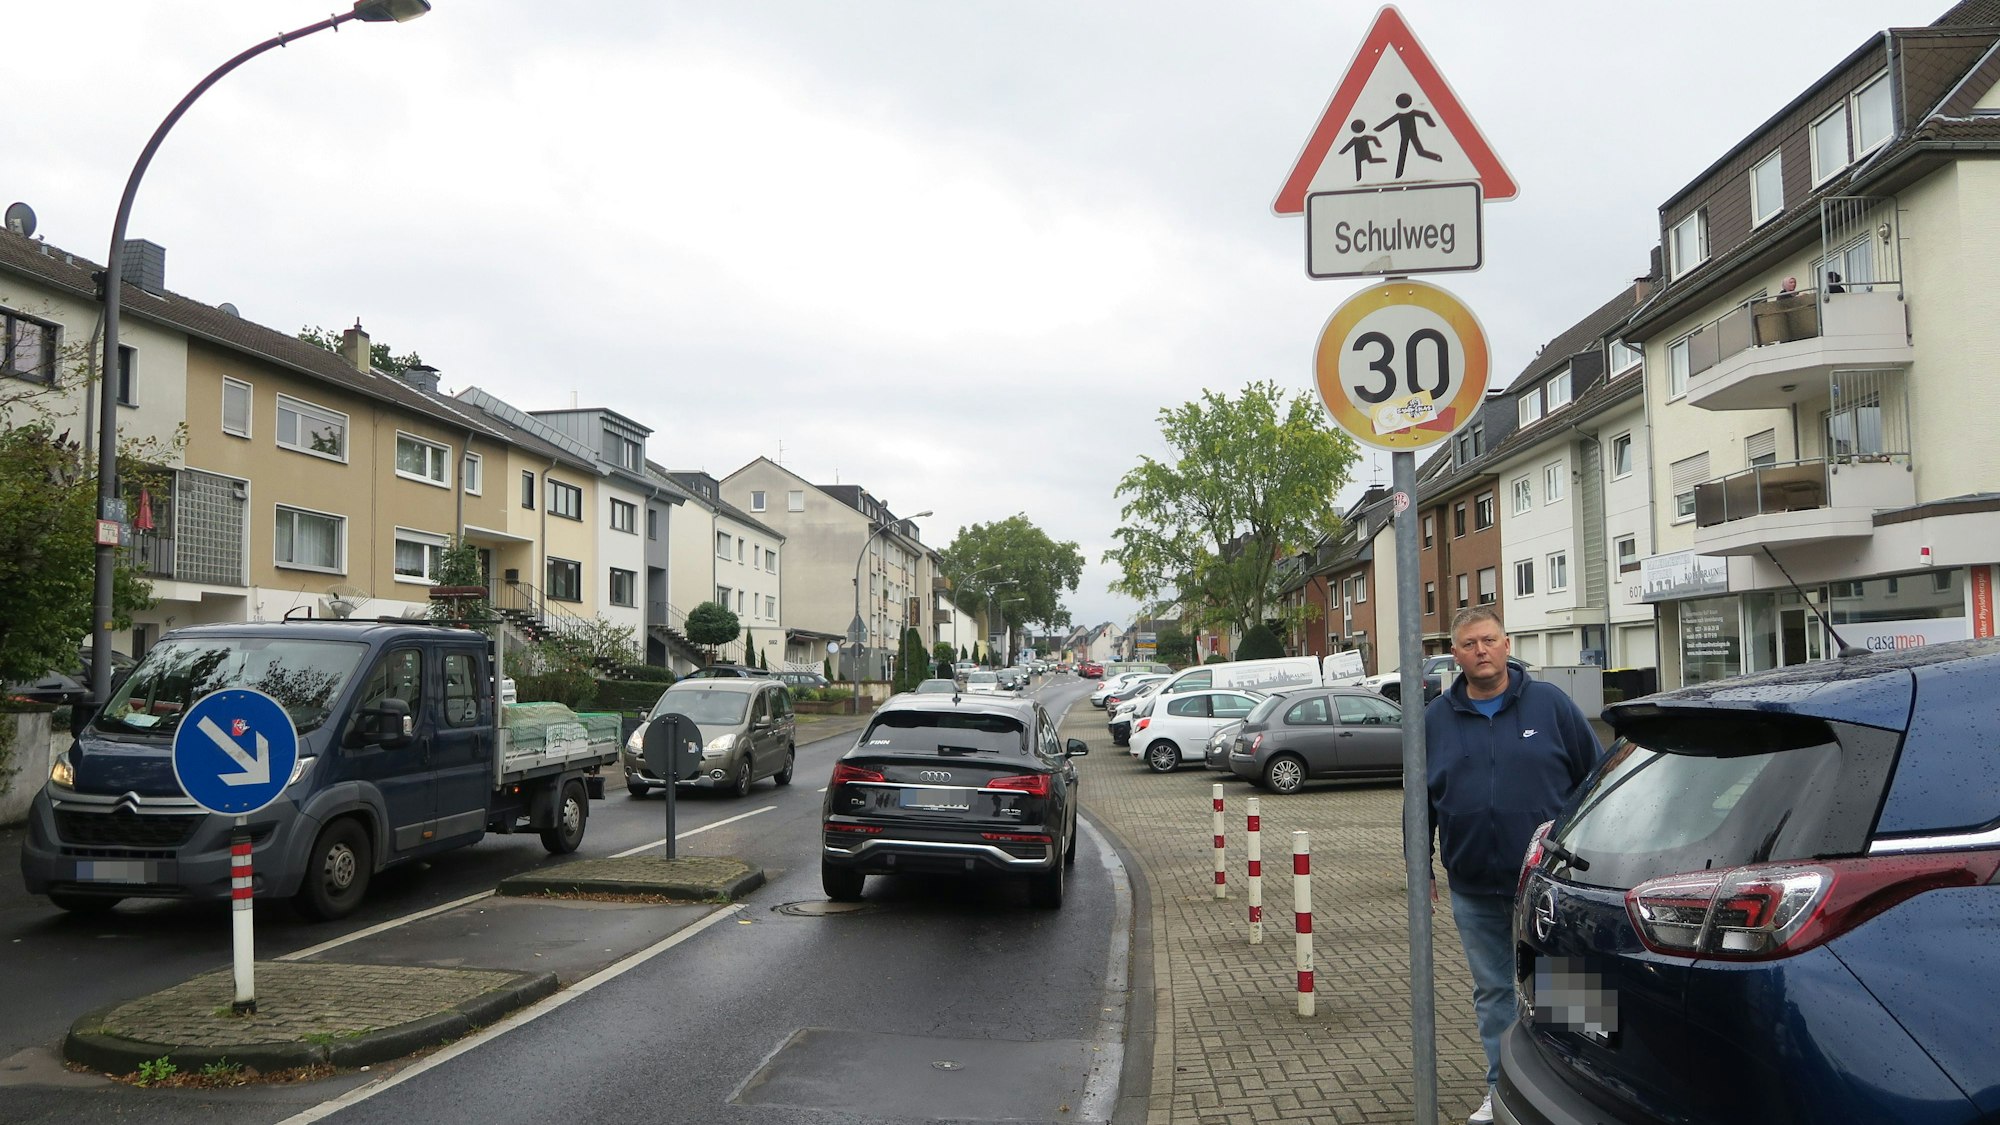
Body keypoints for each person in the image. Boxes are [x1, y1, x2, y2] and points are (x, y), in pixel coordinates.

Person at [1425, 607, 1602, 1124]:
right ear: (1455, 655)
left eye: (1490, 640)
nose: (1481, 650)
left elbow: (1595, 783)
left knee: (1568, 988)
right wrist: (1419, 867)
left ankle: (1583, 1093)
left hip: (1552, 886)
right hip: (1474, 886)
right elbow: (1420, 800)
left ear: (1507, 645)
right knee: (1496, 993)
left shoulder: (1550, 705)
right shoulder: (1435, 719)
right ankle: (1501, 1092)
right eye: (1469, 644)